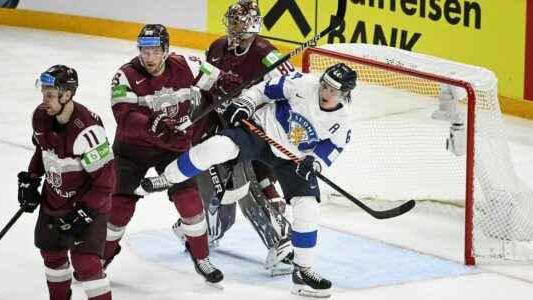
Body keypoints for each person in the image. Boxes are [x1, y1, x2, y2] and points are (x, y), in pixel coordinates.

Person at [137, 63, 358, 298]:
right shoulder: (302, 83)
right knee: (216, 147)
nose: (325, 92)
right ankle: (167, 178)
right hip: (260, 132)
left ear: (345, 94)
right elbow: (264, 90)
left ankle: (302, 271)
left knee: (308, 208)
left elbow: (330, 151)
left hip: (292, 159)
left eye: (333, 90)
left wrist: (314, 162)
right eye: (325, 85)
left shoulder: (343, 122)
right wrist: (247, 102)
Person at [173, 0, 296, 275]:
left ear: (252, 23)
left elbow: (292, 90)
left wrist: (257, 109)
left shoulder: (267, 54)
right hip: (220, 126)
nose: (232, 26)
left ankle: (282, 244)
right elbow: (205, 84)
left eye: (238, 22)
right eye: (230, 20)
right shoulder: (217, 46)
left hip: (254, 131)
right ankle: (202, 229)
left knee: (247, 186)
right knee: (224, 191)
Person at [104, 24, 224, 284]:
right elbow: (123, 116)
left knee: (190, 201)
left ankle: (201, 257)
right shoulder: (124, 76)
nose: (149, 58)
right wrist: (154, 126)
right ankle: (101, 257)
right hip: (131, 151)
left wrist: (230, 86)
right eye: (144, 51)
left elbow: (218, 82)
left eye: (155, 51)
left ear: (166, 50)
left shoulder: (187, 66)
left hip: (172, 148)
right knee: (119, 208)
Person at [18, 65, 115, 300]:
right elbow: (42, 151)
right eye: (43, 93)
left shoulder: (88, 132)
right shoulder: (41, 117)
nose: (44, 100)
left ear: (67, 95)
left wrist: (83, 212)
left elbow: (106, 184)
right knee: (51, 256)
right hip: (53, 202)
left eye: (50, 95)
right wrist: (31, 179)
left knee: (87, 265)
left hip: (88, 207)